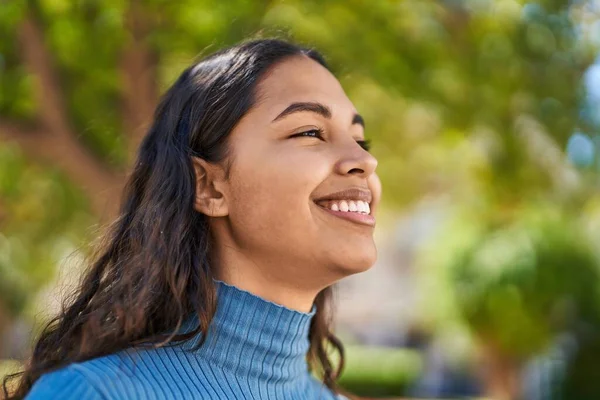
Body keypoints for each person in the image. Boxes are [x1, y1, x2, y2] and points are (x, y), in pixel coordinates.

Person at [4, 37, 381, 399]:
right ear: (209, 187)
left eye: (360, 140)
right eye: (310, 131)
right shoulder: (94, 393)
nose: (365, 160)